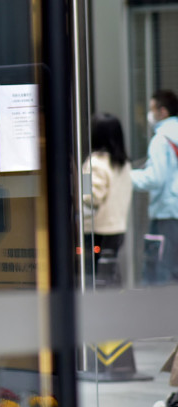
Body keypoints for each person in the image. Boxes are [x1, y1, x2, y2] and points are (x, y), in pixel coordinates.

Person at [132, 90, 178, 285]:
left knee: (159, 274)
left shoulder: (161, 140)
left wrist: (127, 177)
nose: (149, 115)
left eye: (151, 109)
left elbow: (155, 178)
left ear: (163, 111)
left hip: (165, 214)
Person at [83, 113, 132, 282]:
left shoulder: (93, 163)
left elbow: (89, 197)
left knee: (95, 277)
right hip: (118, 227)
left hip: (97, 230)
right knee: (110, 272)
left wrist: (81, 189)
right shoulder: (124, 163)